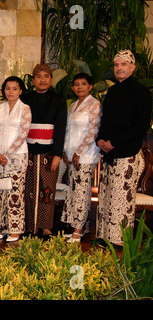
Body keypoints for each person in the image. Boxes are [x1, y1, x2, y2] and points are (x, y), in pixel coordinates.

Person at [96, 50, 151, 247]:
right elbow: (106, 120)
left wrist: (114, 142)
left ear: (132, 68)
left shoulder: (141, 91)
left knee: (121, 198)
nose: (119, 68)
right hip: (108, 152)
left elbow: (141, 125)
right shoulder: (112, 91)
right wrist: (100, 140)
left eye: (124, 64)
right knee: (107, 196)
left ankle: (119, 240)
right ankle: (104, 236)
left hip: (126, 153)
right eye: (116, 65)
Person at [20, 63, 67, 238]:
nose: (42, 80)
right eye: (38, 76)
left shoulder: (59, 99)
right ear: (33, 80)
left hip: (49, 151)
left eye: (45, 76)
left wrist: (57, 154)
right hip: (28, 150)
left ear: (51, 79)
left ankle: (46, 226)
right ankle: (28, 224)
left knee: (47, 190)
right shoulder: (25, 98)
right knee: (29, 189)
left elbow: (61, 128)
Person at [61, 73, 102, 243]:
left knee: (82, 192)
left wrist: (79, 152)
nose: (79, 87)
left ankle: (78, 230)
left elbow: (94, 131)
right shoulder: (74, 105)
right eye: (76, 84)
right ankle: (80, 226)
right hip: (72, 154)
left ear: (90, 86)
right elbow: (69, 131)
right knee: (74, 191)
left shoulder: (94, 104)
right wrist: (65, 151)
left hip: (86, 155)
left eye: (83, 84)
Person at [0, 76, 31, 242]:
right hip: (0, 157)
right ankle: (2, 228)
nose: (11, 91)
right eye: (8, 88)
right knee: (2, 193)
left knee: (15, 193)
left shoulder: (25, 108)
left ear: (20, 90)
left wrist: (7, 155)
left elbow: (23, 133)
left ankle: (15, 230)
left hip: (17, 157)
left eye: (15, 88)